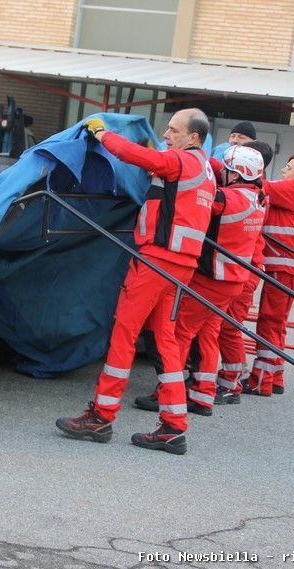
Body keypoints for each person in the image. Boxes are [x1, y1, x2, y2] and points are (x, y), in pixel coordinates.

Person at [56, 108, 216, 455]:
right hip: (180, 265)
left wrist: (102, 134)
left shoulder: (181, 161)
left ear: (194, 138)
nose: (166, 136)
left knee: (124, 333)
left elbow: (134, 156)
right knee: (166, 340)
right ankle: (173, 426)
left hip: (158, 261)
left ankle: (102, 416)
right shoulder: (205, 169)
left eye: (173, 131)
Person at [134, 146, 268, 415]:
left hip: (212, 278)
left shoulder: (228, 199)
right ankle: (203, 395)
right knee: (208, 334)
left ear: (235, 175)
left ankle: (166, 393)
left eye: (227, 171)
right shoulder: (258, 197)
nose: (223, 174)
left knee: (180, 333)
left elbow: (200, 196)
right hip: (232, 281)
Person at [243, 152, 294, 396]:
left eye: (288, 168)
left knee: (269, 321)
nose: (283, 171)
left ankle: (261, 381)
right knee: (278, 323)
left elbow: (258, 184)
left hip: (284, 265)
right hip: (292, 266)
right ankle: (275, 376)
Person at [214, 140, 274, 404]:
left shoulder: (246, 194)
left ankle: (231, 383)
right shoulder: (257, 190)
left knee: (228, 328)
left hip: (245, 270)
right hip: (247, 267)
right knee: (224, 327)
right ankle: (228, 379)